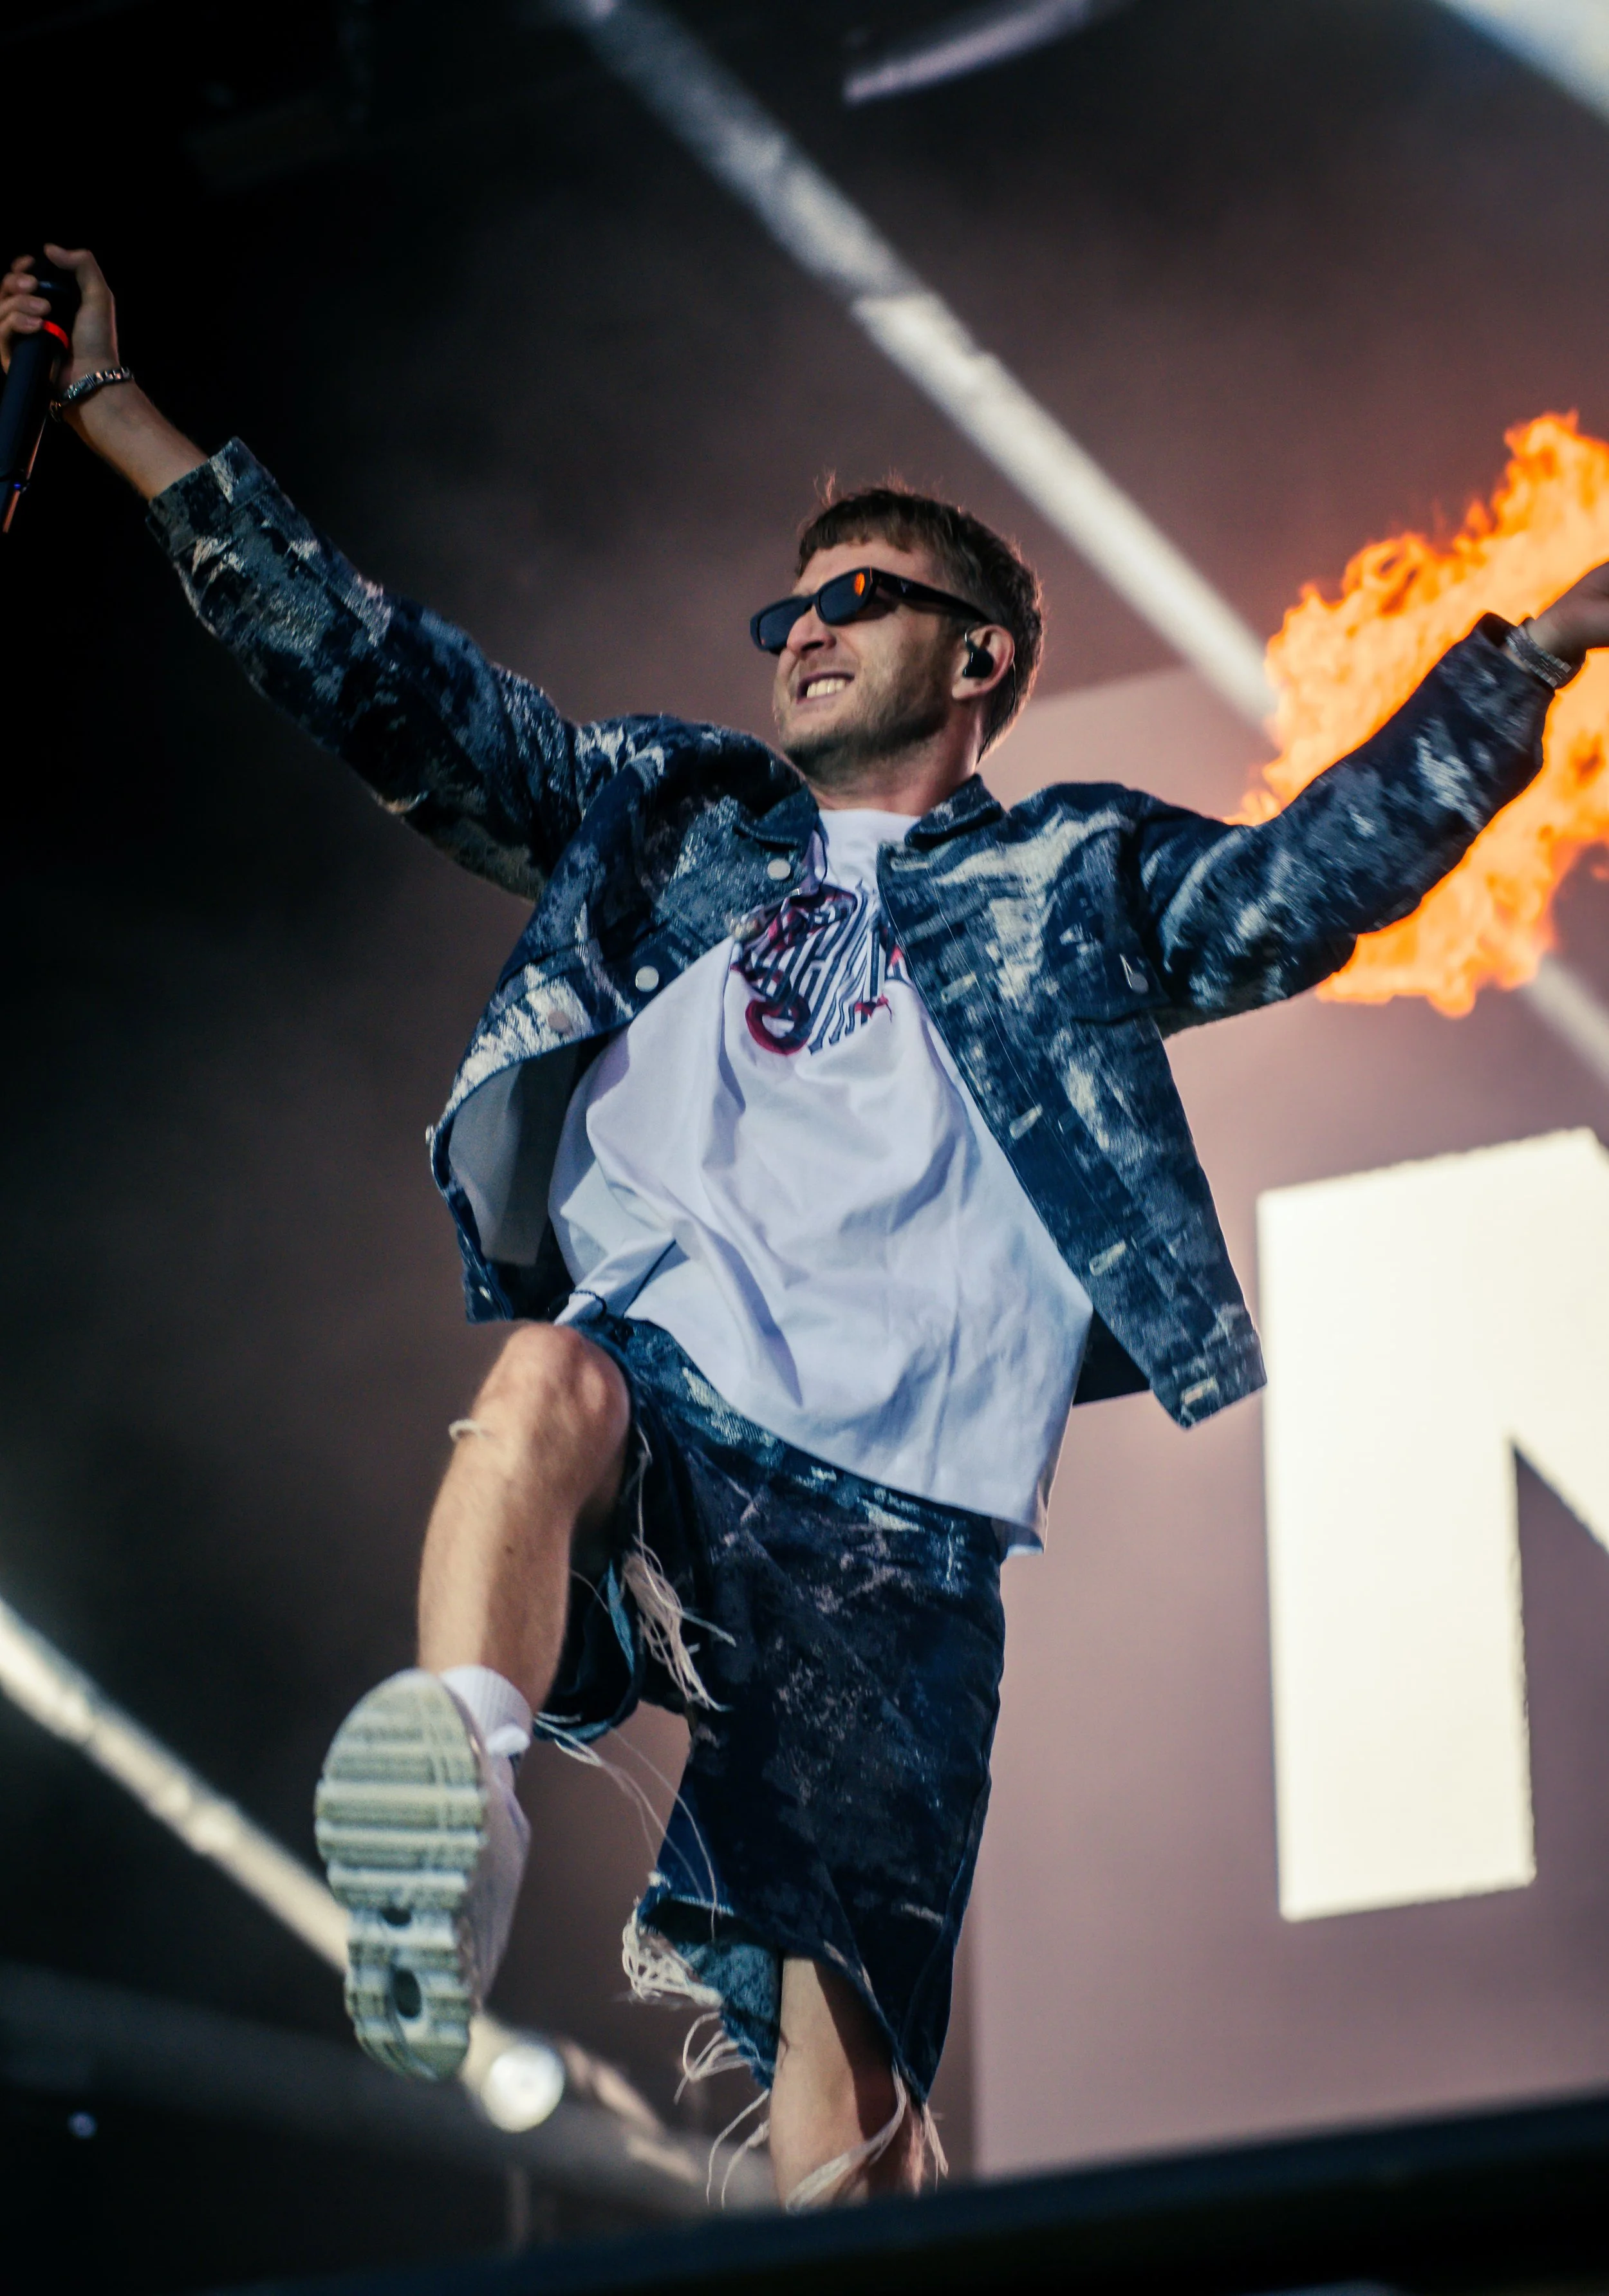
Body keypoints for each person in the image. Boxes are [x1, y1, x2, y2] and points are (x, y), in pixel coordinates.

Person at [7, 241, 1606, 2210]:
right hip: (673, 1401)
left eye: (861, 596)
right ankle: (463, 1808)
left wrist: (1528, 652)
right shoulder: (667, 820)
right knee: (545, 1380)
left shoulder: (1066, 870)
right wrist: (114, 413)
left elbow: (1301, 886)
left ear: (980, 658)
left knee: (846, 2122)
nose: (805, 630)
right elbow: (383, 681)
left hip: (892, 1520)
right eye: (794, 601)